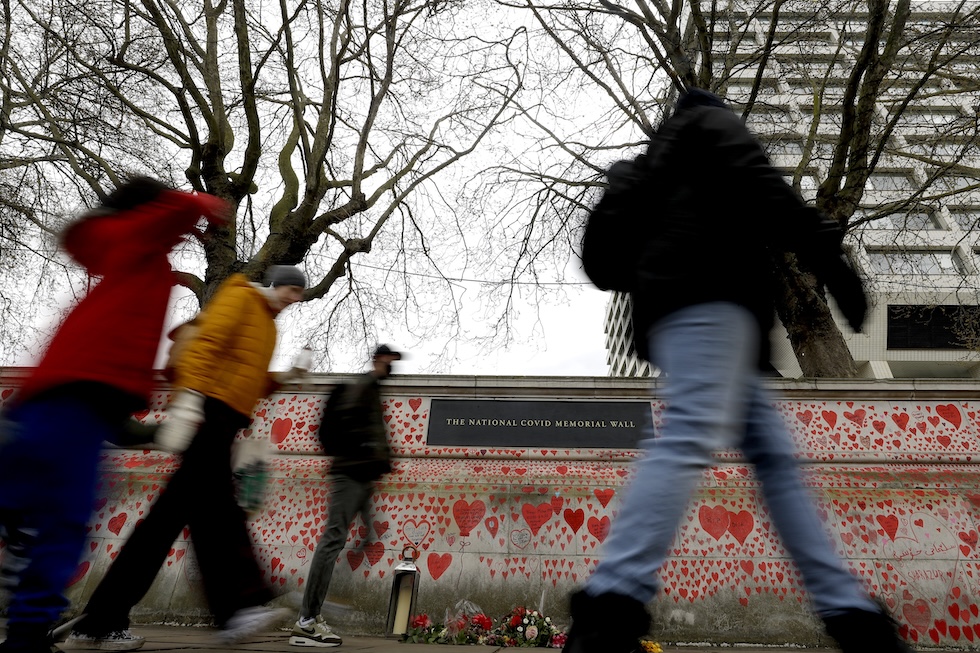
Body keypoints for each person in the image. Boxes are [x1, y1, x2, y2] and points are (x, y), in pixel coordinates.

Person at [564, 89, 910, 653]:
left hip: (684, 321)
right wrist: (827, 254)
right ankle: (610, 607)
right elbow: (764, 186)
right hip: (715, 303)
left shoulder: (649, 166)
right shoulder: (712, 122)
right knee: (689, 436)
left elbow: (604, 265)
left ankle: (850, 611)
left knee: (774, 461)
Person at [0, 178, 228, 653]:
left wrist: (151, 431)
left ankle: (27, 620)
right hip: (78, 398)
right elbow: (171, 216)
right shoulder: (136, 246)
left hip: (78, 406)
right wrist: (202, 204)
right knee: (64, 520)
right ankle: (26, 629)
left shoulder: (134, 261)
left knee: (43, 511)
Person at [65, 266, 310, 650]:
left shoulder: (268, 325)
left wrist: (285, 377)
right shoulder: (240, 296)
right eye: (292, 289)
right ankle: (238, 607)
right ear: (275, 284)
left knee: (170, 521)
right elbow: (206, 346)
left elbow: (247, 377)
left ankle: (101, 619)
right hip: (208, 414)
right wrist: (190, 402)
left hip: (225, 420)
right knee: (219, 513)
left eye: (299, 294)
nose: (294, 298)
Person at [288, 344, 402, 648]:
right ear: (380, 359)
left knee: (364, 537)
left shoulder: (373, 389)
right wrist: (368, 453)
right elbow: (352, 424)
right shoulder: (363, 385)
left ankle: (323, 604)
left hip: (363, 477)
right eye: (391, 360)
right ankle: (306, 620)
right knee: (334, 538)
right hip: (351, 474)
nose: (394, 366)